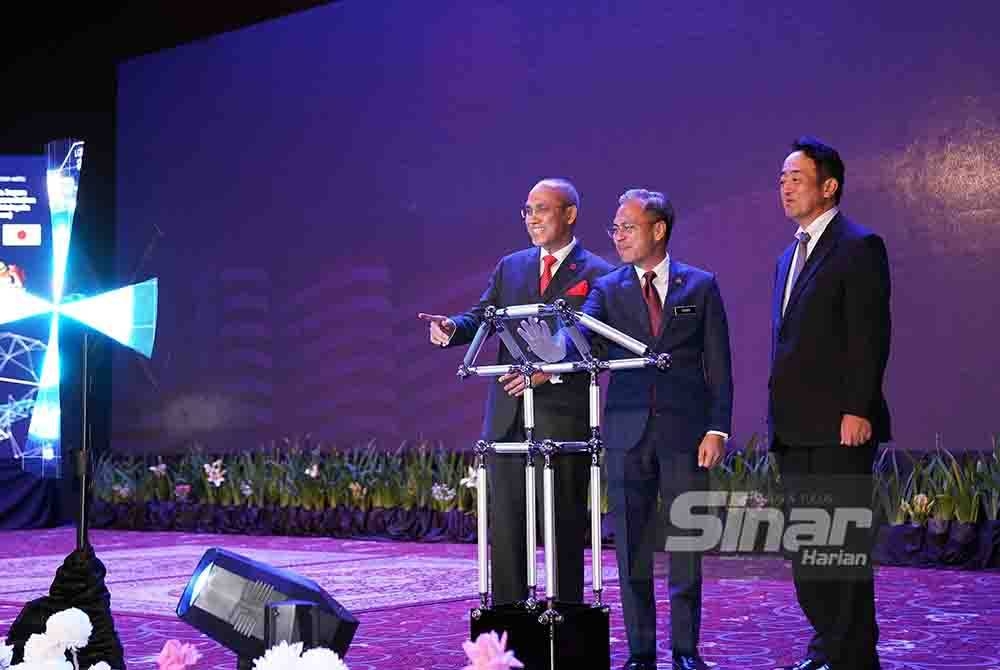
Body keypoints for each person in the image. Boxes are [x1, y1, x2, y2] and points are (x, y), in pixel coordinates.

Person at [418, 178, 615, 606]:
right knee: (506, 524)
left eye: (542, 209)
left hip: (563, 416)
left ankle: (564, 621)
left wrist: (551, 369)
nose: (532, 218)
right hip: (508, 414)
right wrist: (453, 328)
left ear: (570, 213)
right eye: (527, 210)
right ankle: (509, 620)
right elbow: (483, 316)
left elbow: (598, 341)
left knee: (562, 526)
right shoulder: (512, 266)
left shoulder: (599, 271)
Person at [579, 188, 733, 670]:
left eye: (627, 227)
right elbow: (584, 339)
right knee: (631, 550)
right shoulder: (609, 287)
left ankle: (686, 652)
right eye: (615, 229)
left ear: (658, 230)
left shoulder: (700, 285)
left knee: (686, 549)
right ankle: (641, 653)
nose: (618, 237)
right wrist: (548, 348)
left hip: (686, 436)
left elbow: (719, 368)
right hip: (626, 435)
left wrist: (717, 430)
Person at [770, 137, 890, 670]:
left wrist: (858, 409)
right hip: (795, 430)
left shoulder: (858, 245)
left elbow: (869, 335)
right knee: (810, 554)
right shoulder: (787, 257)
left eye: (796, 176)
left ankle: (852, 657)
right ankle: (827, 648)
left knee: (841, 551)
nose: (786, 186)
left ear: (829, 185)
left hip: (840, 427)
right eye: (782, 178)